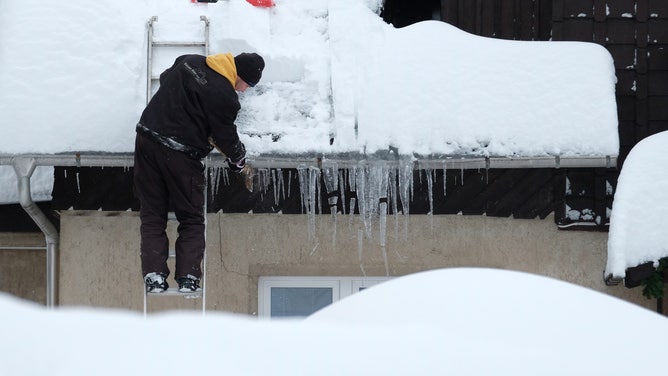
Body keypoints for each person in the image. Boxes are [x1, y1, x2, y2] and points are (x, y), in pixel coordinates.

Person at [133, 52, 265, 293]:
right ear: (239, 74)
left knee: (152, 214)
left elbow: (165, 79)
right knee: (191, 218)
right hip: (181, 154)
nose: (244, 90)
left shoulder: (189, 61)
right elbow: (225, 136)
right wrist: (238, 160)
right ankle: (188, 277)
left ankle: (154, 275)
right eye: (248, 84)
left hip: (146, 139)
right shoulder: (225, 97)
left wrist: (184, 107)